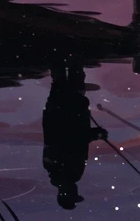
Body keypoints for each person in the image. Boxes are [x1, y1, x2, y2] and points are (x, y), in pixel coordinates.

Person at [42, 59, 108, 210]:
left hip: (70, 110)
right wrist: (95, 134)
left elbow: (73, 140)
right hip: (59, 110)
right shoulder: (55, 170)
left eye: (74, 194)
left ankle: (68, 54)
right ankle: (60, 54)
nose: (76, 191)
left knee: (73, 78)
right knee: (61, 80)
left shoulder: (68, 173)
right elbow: (73, 140)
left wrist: (96, 134)